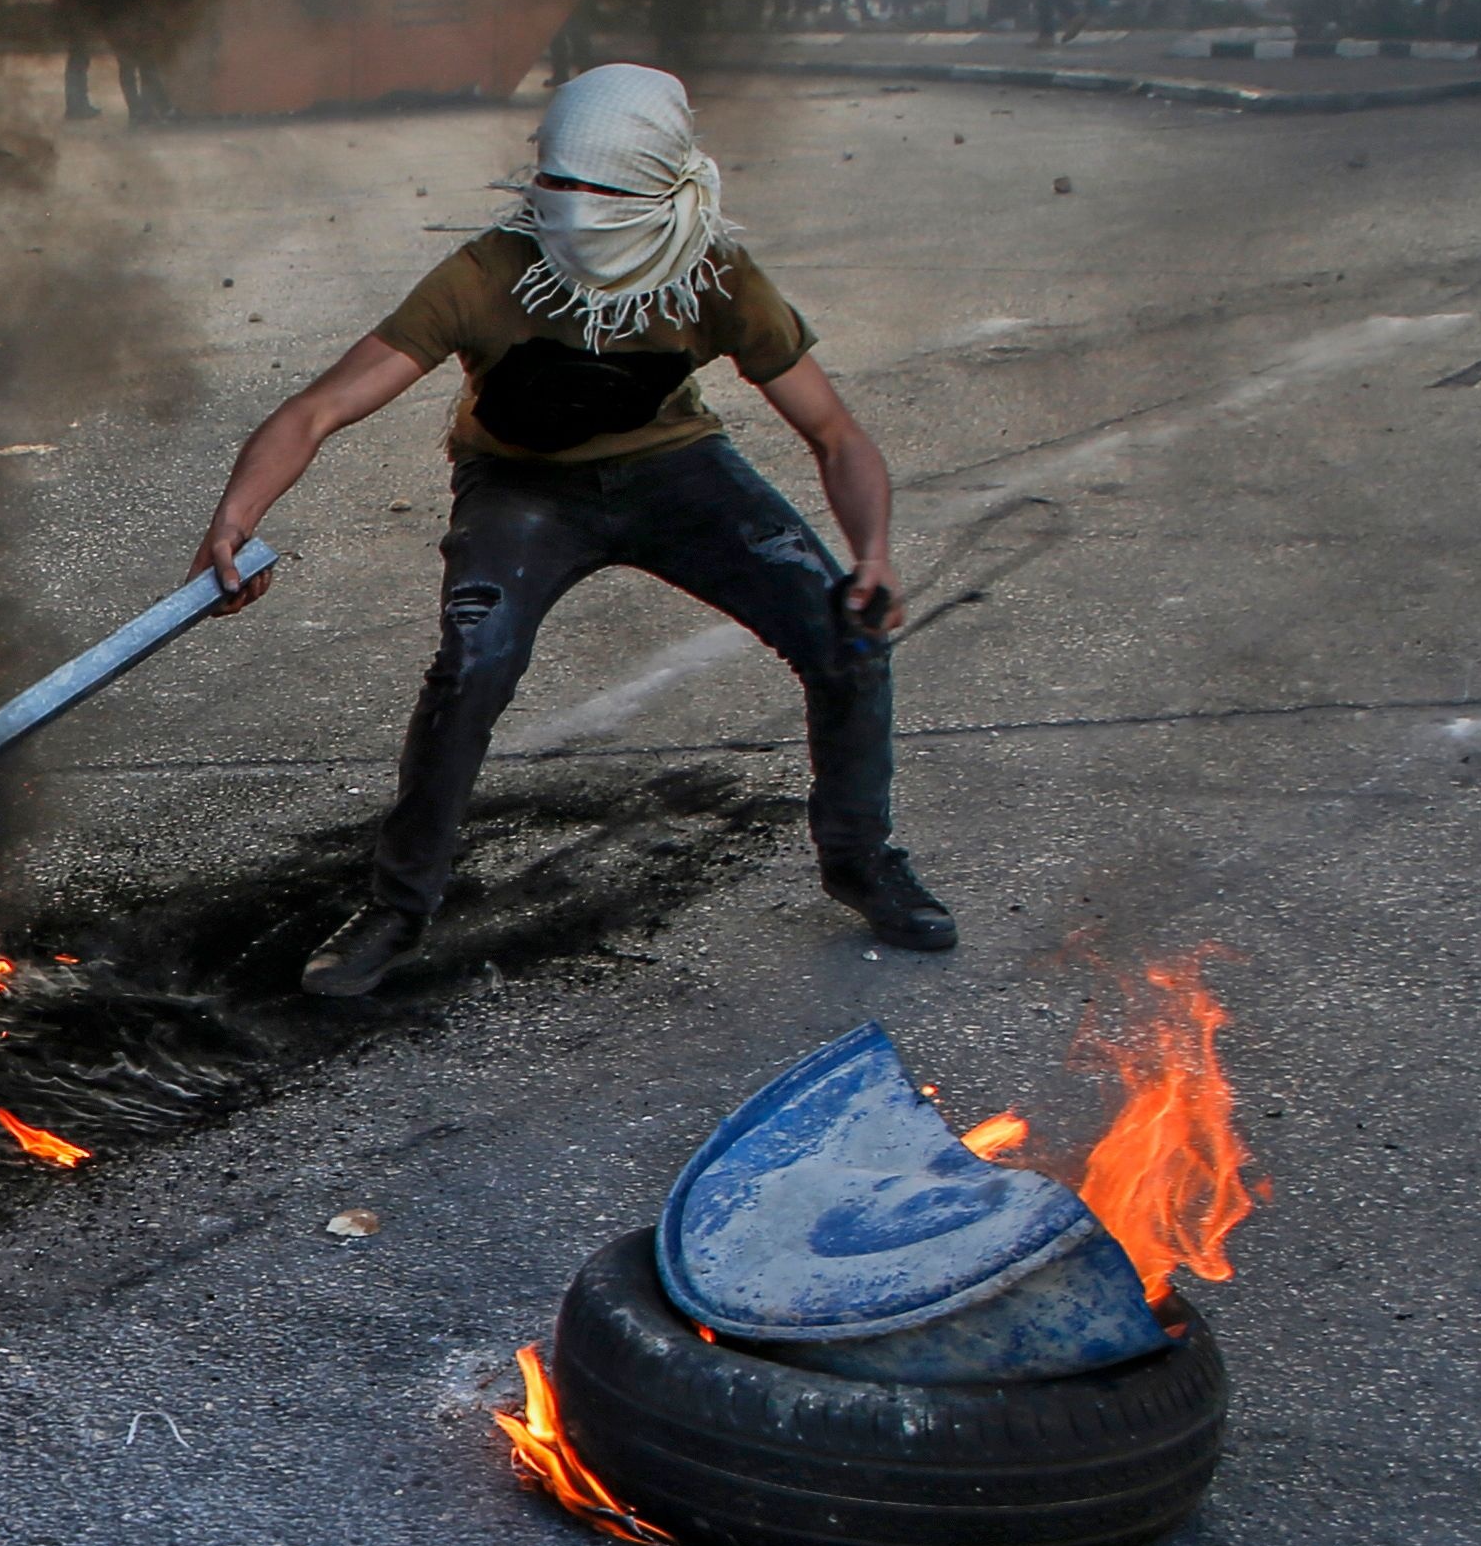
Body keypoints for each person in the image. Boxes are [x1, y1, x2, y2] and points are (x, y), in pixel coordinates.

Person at [188, 64, 952, 995]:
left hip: (677, 472)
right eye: (555, 181)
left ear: (661, 188)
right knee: (473, 665)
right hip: (520, 487)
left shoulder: (713, 275)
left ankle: (861, 859)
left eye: (600, 189)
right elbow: (319, 409)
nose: (571, 204)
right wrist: (235, 516)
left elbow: (834, 433)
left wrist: (872, 555)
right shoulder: (488, 270)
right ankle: (398, 906)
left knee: (847, 631)